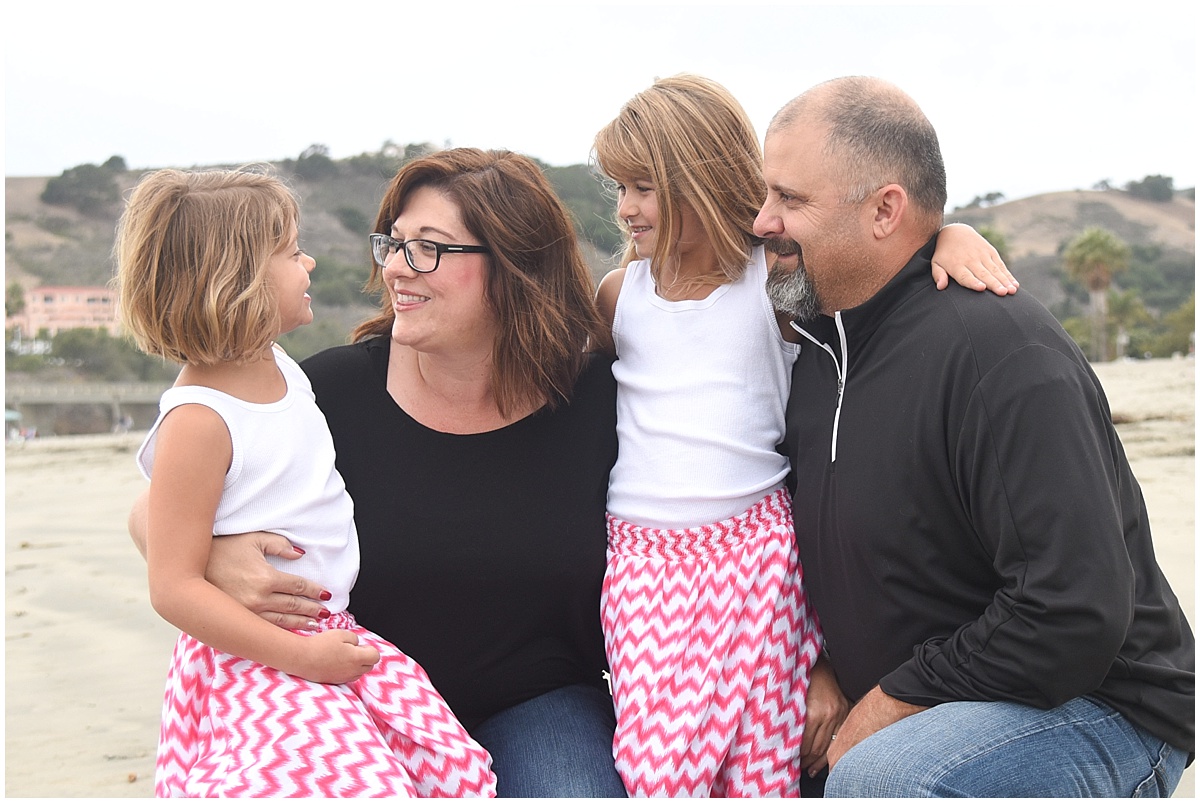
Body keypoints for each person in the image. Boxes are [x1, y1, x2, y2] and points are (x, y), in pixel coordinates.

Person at [131, 150, 628, 797]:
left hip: (537, 701)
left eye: (428, 248)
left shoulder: (598, 399)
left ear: (514, 263)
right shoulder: (328, 390)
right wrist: (218, 557)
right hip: (356, 690)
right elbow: (158, 508)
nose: (394, 266)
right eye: (394, 243)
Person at [756, 76, 1195, 797]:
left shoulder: (1001, 351)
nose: (762, 220)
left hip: (1099, 704)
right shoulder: (815, 349)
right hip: (939, 693)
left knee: (880, 782)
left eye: (790, 199)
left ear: (885, 210)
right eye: (766, 193)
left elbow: (1073, 611)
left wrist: (890, 701)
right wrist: (825, 665)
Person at [590, 74, 1014, 797]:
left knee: (765, 768)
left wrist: (951, 234)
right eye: (619, 187)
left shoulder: (773, 283)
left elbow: (879, 273)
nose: (626, 206)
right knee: (656, 770)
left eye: (644, 187)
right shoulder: (617, 297)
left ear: (700, 177)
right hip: (642, 567)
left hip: (758, 560)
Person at [116, 168, 496, 797]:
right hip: (254, 657)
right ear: (236, 280)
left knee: (449, 773)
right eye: (292, 253)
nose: (310, 262)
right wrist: (301, 658)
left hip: (325, 633)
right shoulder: (200, 419)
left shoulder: (279, 366)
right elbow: (173, 587)